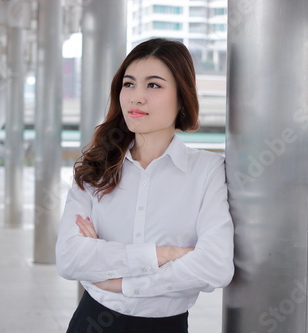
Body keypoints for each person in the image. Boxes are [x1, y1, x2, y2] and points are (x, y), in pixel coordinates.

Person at [56, 38, 234, 333]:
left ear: (181, 97)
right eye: (129, 84)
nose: (136, 97)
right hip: (92, 321)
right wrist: (163, 255)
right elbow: (69, 258)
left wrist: (120, 280)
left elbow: (215, 266)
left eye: (153, 85)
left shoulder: (207, 171)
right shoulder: (96, 168)